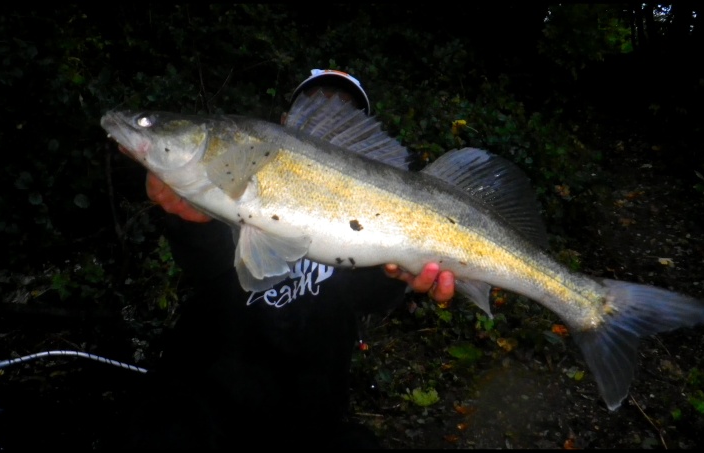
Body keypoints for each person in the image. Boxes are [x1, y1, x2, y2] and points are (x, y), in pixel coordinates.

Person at [111, 70, 456, 449]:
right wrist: (187, 221)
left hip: (311, 414)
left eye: (344, 113)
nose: (328, 117)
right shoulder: (237, 169)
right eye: (314, 106)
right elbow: (207, 267)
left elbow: (371, 298)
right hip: (210, 396)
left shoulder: (380, 203)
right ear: (284, 123)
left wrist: (400, 276)